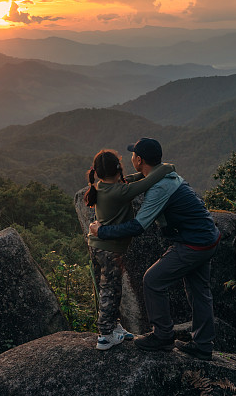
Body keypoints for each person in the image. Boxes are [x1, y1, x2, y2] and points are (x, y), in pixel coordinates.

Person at [88, 137, 220, 360]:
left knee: (153, 280)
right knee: (199, 291)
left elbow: (138, 226)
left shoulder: (159, 188)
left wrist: (101, 232)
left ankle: (163, 336)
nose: (130, 159)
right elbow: (135, 183)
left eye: (132, 155)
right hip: (208, 236)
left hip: (193, 243)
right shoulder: (166, 175)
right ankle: (203, 345)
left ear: (139, 160)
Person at [84, 149, 175, 350]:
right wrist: (168, 167)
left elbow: (133, 179)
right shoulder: (120, 192)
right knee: (110, 289)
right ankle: (105, 335)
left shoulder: (103, 187)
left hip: (97, 247)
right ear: (118, 169)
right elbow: (145, 183)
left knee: (111, 288)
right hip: (109, 250)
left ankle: (114, 326)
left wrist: (142, 173)